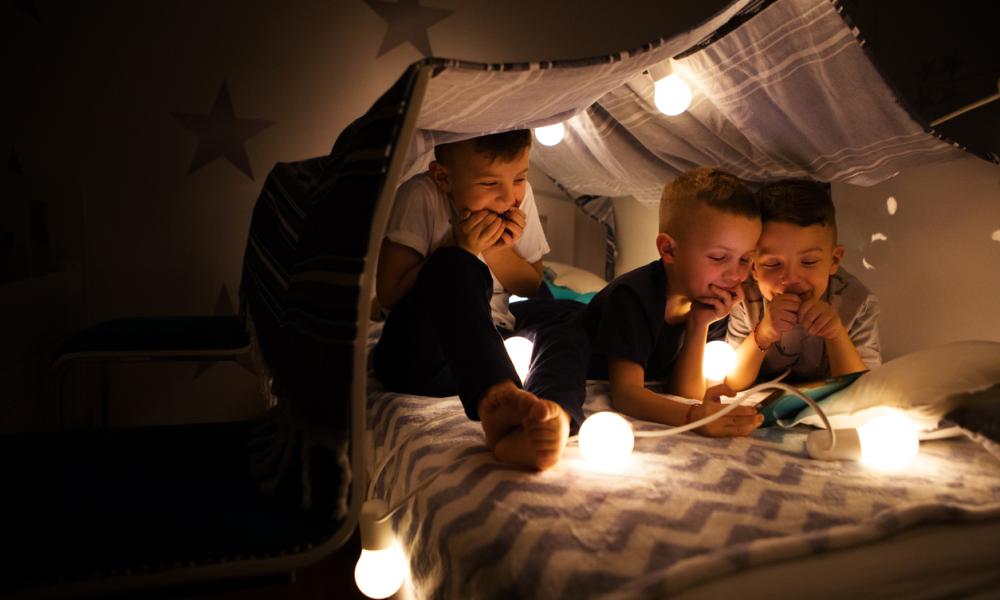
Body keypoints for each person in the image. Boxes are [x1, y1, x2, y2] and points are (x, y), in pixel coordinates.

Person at [372, 130, 577, 470]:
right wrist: (462, 248)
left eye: (520, 179)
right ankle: (497, 401)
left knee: (563, 316)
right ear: (443, 177)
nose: (509, 196)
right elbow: (390, 294)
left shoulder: (516, 198)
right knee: (451, 263)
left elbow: (530, 284)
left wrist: (499, 254)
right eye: (488, 184)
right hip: (424, 354)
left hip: (498, 350)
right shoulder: (420, 195)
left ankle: (552, 415)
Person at [580, 167, 764, 437]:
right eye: (718, 257)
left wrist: (698, 324)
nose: (735, 274)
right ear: (668, 250)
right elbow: (627, 394)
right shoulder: (632, 296)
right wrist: (694, 418)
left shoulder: (708, 302)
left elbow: (684, 394)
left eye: (745, 259)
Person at [724, 179, 881, 392]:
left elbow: (865, 388)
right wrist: (764, 333)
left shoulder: (857, 302)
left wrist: (836, 334)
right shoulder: (746, 297)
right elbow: (731, 383)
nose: (791, 278)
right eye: (772, 263)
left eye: (808, 262)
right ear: (753, 266)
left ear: (834, 261)